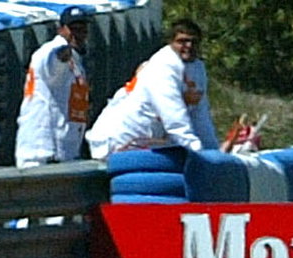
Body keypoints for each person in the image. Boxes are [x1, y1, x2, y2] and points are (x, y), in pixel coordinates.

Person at [85, 16, 218, 160]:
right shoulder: (163, 66)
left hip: (147, 139)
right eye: (182, 41)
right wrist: (198, 153)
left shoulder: (198, 68)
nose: (189, 46)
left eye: (193, 41)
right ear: (170, 42)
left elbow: (201, 116)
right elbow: (173, 117)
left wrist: (214, 153)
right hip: (119, 138)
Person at [14, 4, 91, 167]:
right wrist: (62, 54)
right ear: (61, 30)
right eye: (73, 29)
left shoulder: (77, 64)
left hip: (64, 153)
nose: (78, 34)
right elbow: (53, 62)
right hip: (43, 153)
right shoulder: (50, 51)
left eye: (82, 29)